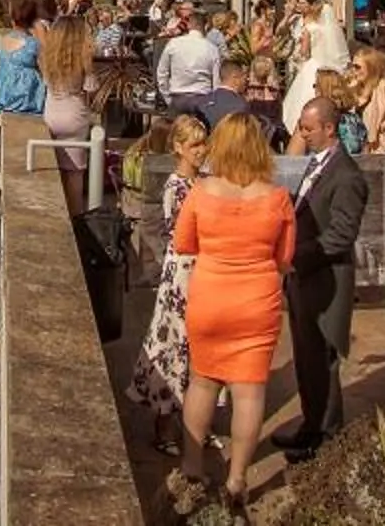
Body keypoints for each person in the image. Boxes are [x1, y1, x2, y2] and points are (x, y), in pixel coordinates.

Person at [171, 114, 296, 513]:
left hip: (210, 297)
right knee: (250, 391)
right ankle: (238, 478)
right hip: (257, 303)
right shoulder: (278, 198)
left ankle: (192, 467)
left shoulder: (201, 191)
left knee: (202, 382)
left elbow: (183, 243)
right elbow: (285, 259)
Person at [274, 97, 365, 463]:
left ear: (329, 128)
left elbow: (341, 235)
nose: (303, 134)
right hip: (304, 279)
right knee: (306, 356)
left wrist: (297, 258)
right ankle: (312, 424)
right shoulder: (315, 164)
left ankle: (326, 435)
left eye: (308, 128)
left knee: (321, 359)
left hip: (324, 281)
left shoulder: (347, 176)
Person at [125, 115, 208, 432]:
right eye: (194, 144)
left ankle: (196, 422)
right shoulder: (176, 186)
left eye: (203, 143)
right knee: (173, 347)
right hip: (183, 274)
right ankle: (165, 426)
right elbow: (182, 234)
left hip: (201, 272)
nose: (201, 150)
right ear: (178, 147)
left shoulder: (202, 182)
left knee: (196, 348)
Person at [282, 0, 352, 130]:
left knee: (302, 96)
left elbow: (304, 53)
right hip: (325, 64)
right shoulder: (326, 30)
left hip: (312, 64)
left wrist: (298, 53)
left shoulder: (309, 29)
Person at [38, 9, 98, 167]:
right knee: (74, 171)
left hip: (51, 115)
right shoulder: (83, 60)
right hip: (74, 117)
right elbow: (91, 89)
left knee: (52, 166)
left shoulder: (47, 59)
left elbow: (45, 83)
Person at [157, 6, 224, 110]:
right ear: (206, 26)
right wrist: (213, 104)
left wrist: (168, 98)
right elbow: (216, 82)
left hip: (178, 98)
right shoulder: (212, 49)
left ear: (188, 25)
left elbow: (162, 73)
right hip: (202, 100)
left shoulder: (173, 44)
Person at [0, 0, 48, 116]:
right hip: (26, 100)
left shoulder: (2, 42)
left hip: (2, 97)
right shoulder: (33, 44)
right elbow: (46, 71)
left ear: (13, 20)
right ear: (33, 21)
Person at [348, 47, 385, 154]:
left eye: (358, 67)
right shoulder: (355, 88)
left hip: (378, 147)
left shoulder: (382, 87)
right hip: (359, 146)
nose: (354, 71)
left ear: (371, 68)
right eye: (352, 66)